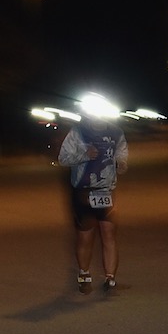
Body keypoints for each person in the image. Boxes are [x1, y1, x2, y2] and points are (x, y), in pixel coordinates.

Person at [57, 94, 128, 294]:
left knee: (109, 234)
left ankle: (111, 279)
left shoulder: (116, 132)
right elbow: (63, 158)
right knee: (85, 237)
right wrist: (83, 155)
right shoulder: (78, 132)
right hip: (84, 192)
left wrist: (122, 163)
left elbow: (122, 151)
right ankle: (84, 273)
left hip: (107, 191)